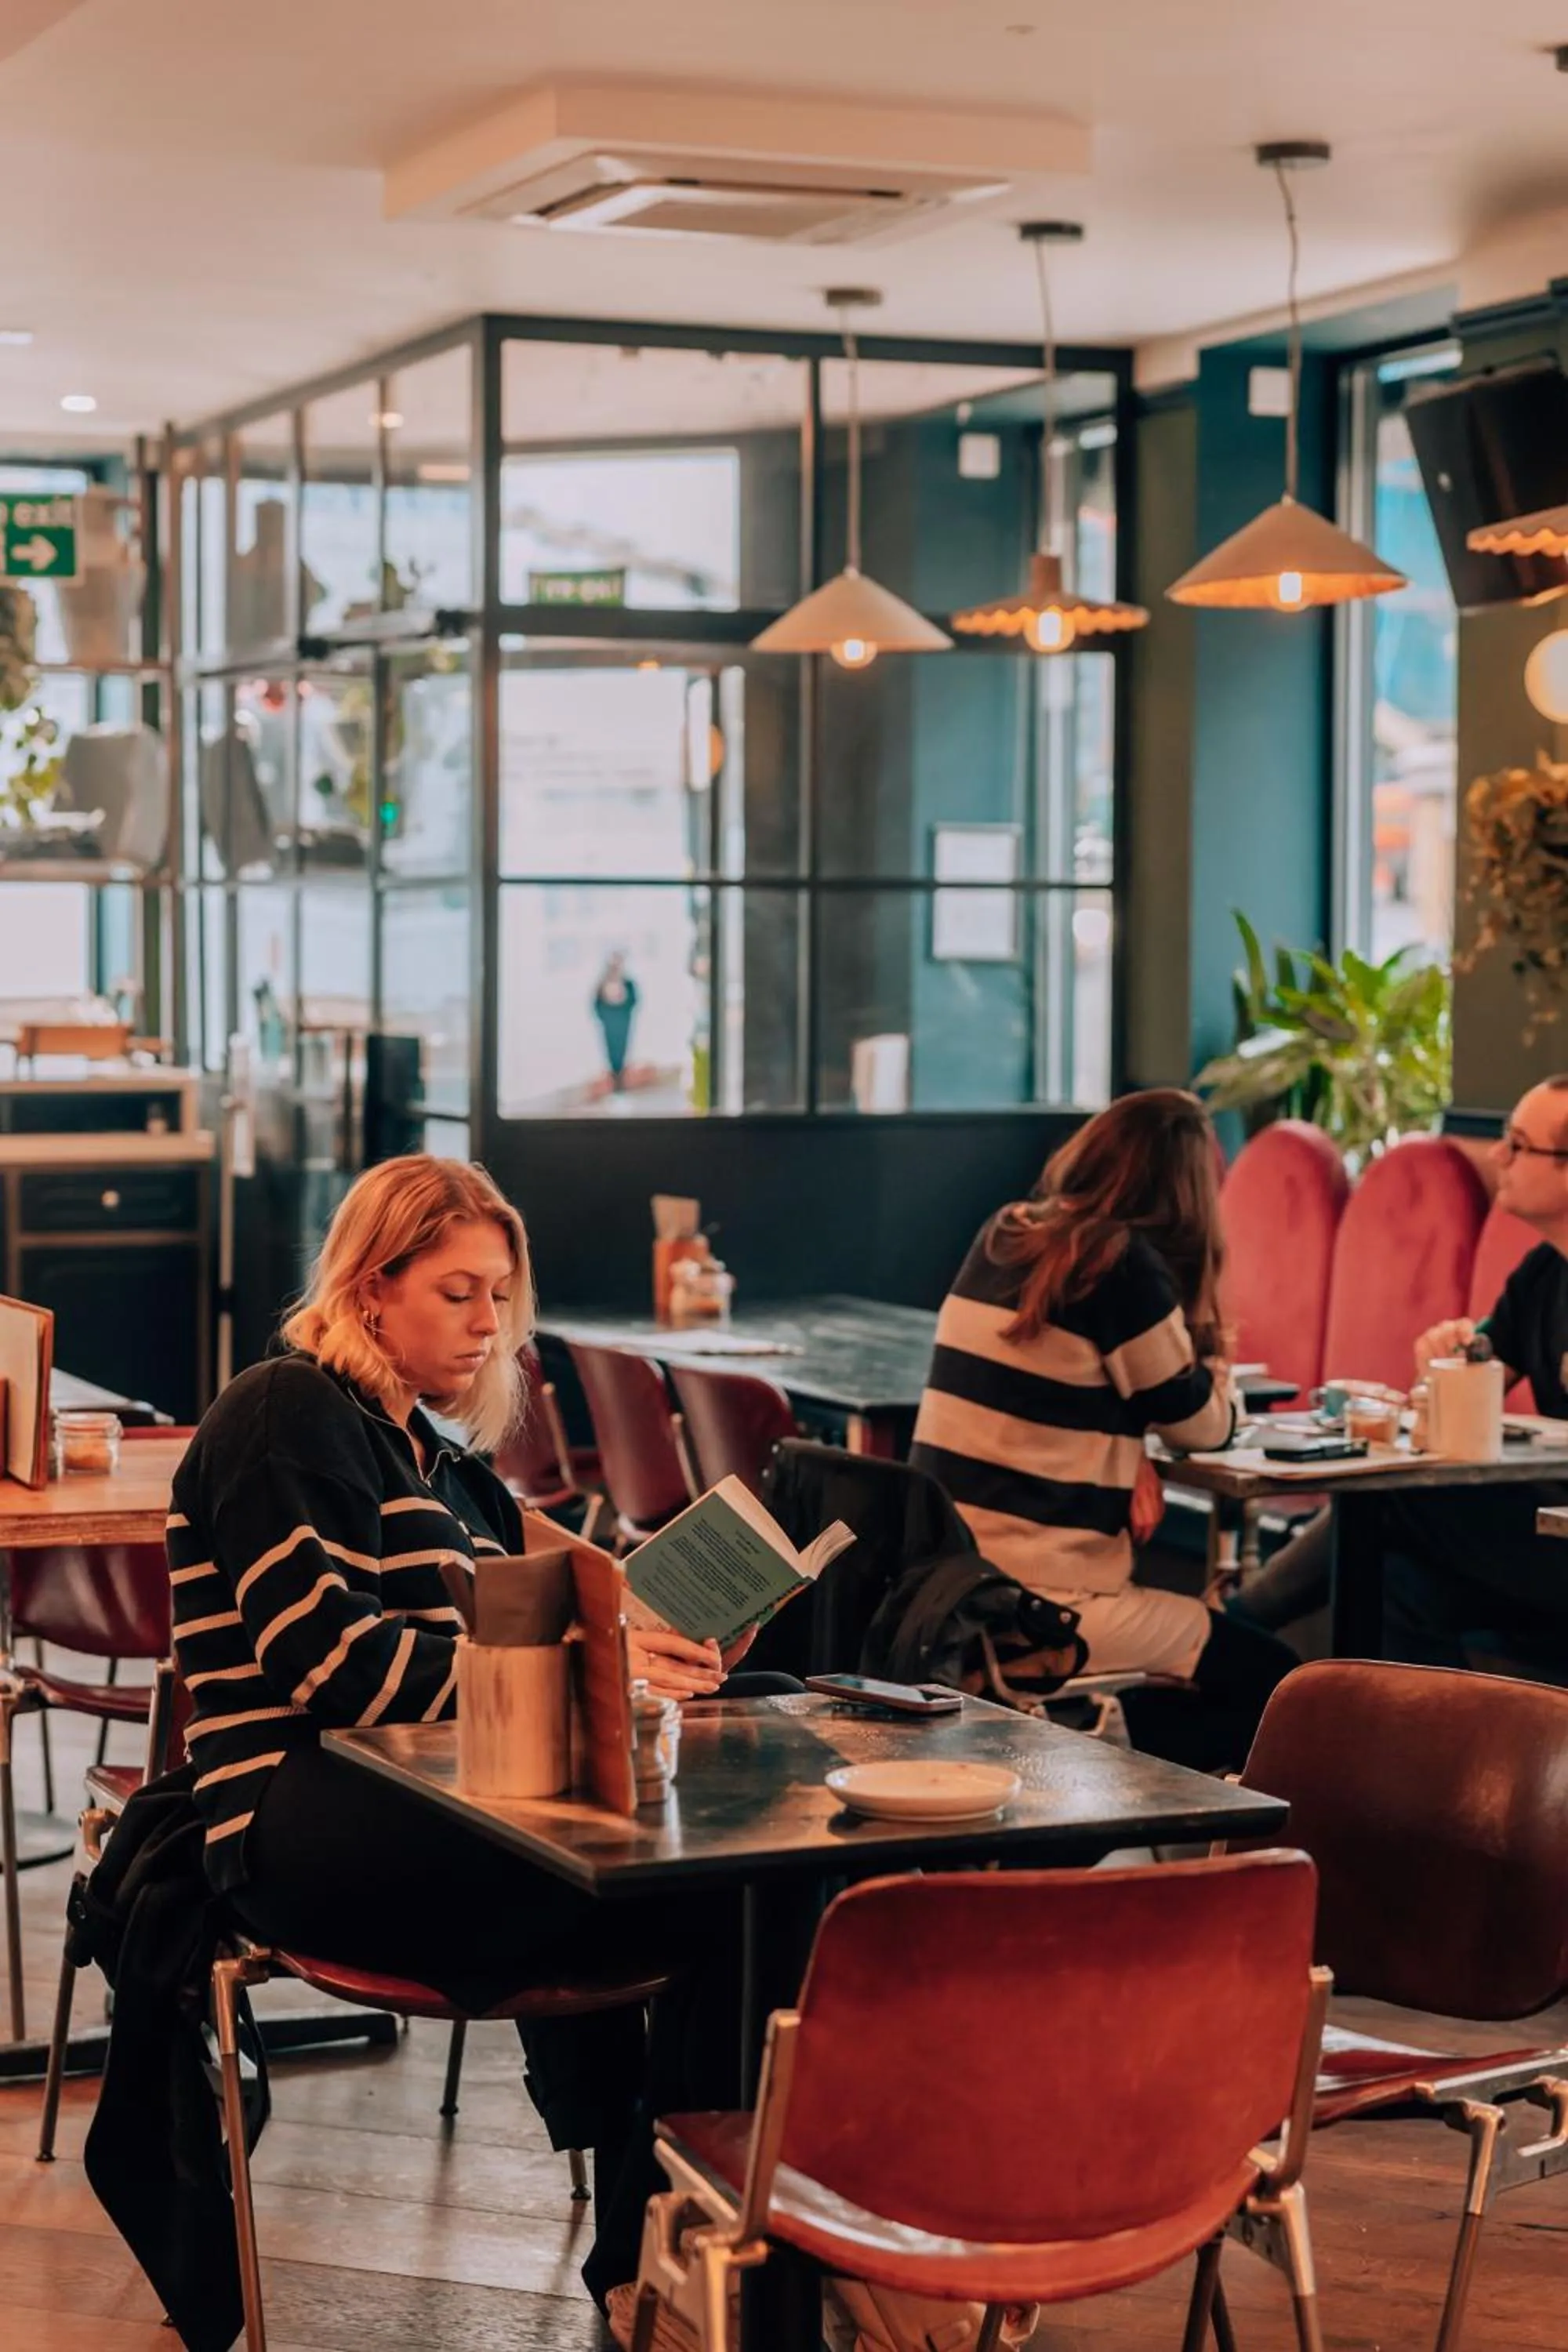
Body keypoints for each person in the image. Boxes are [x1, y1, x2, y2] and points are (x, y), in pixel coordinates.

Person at [168, 1153, 759, 2310]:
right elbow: (336, 1668)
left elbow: (579, 1593)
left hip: (441, 1795)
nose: (491, 1324)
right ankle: (671, 2254)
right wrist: (599, 1668)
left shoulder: (436, 1457)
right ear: (370, 1288)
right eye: (458, 1293)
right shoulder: (285, 1411)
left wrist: (672, 1635)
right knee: (729, 1885)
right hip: (302, 1813)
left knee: (756, 1813)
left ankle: (693, 2242)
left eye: (499, 1295)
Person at [910, 1090, 1297, 1769]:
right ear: (1186, 1192)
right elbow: (1204, 1426)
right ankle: (1139, 1777)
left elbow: (1066, 1391)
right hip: (1044, 1603)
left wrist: (1132, 1449)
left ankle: (1122, 1764)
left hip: (952, 1587)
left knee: (1216, 1669)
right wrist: (1213, 1347)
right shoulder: (1120, 1265)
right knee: (1280, 1683)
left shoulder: (1007, 1232)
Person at [1232, 1079, 1568, 1671]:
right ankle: (1411, 1729)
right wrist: (1454, 1353)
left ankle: (1237, 1625)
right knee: (1395, 1578)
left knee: (1397, 1490)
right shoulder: (1544, 1271)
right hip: (1534, 1535)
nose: (1497, 1156)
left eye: (1518, 1145)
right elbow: (1480, 1362)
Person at [592, 951, 639, 1092]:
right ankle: (614, 1082)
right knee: (611, 1053)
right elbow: (597, 1005)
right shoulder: (602, 984)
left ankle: (622, 1082)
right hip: (610, 1023)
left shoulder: (627, 983)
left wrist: (624, 1010)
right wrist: (606, 1015)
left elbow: (634, 1000)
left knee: (623, 1051)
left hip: (623, 1022)